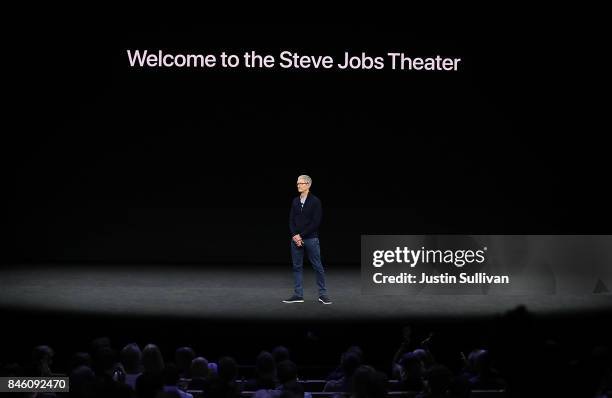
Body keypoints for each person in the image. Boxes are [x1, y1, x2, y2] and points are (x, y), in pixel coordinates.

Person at [283, 175, 332, 304]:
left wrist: (301, 235)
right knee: (297, 267)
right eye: (297, 183)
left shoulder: (315, 201)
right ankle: (298, 295)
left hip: (311, 239)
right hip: (296, 239)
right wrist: (295, 235)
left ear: (308, 185)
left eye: (301, 183)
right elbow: (291, 220)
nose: (298, 185)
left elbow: (316, 222)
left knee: (317, 266)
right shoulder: (295, 201)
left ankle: (322, 294)